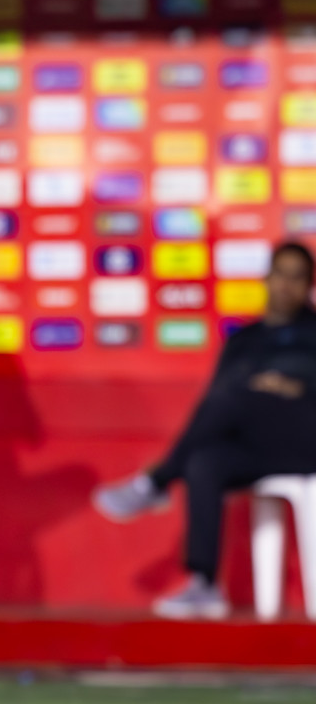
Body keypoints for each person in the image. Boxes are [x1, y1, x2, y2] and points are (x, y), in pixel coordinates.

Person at [94, 240, 316, 619]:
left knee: (237, 395)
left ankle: (158, 481)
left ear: (309, 285)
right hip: (256, 446)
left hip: (304, 444)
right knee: (204, 461)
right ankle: (204, 584)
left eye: (297, 278)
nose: (286, 285)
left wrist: (280, 386)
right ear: (267, 278)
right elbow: (215, 401)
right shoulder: (243, 340)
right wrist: (259, 388)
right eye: (281, 274)